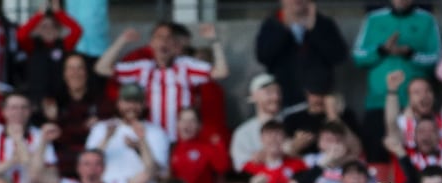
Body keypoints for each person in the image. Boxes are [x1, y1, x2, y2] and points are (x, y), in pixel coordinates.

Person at [95, 22, 229, 141]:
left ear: (175, 45)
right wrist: (121, 41)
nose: (163, 42)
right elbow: (102, 68)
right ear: (151, 44)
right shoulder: (142, 68)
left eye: (168, 38)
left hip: (180, 140)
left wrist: (214, 41)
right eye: (159, 37)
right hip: (151, 139)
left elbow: (221, 72)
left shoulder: (185, 66)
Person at [353, 0, 442, 160]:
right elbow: (358, 57)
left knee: (415, 161)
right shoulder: (373, 18)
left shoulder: (427, 20)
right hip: (378, 103)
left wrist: (410, 53)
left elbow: (436, 59)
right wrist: (382, 49)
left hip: (415, 107)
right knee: (377, 160)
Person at [255, 0, 348, 108]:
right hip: (284, 101)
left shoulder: (324, 24)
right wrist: (284, 28)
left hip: (318, 102)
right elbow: (263, 55)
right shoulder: (272, 24)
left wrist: (315, 28)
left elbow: (339, 56)